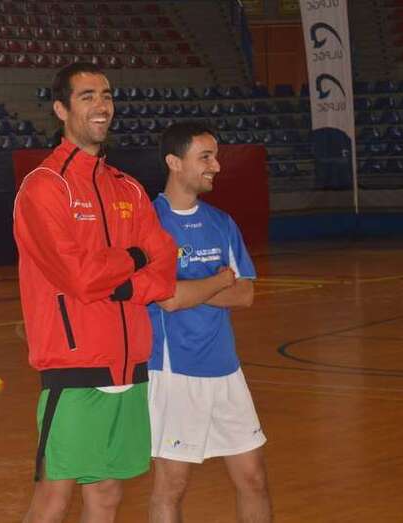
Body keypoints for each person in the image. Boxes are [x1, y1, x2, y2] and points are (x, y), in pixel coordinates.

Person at [13, 62, 177, 523]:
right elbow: (78, 277)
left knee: (107, 495)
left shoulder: (128, 187)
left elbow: (165, 267)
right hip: (74, 367)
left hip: (130, 365)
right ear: (61, 109)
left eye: (106, 95)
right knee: (53, 499)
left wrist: (120, 282)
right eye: (87, 96)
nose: (101, 105)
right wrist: (134, 256)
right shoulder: (45, 186)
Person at [147, 122, 272, 522]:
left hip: (226, 370)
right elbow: (169, 300)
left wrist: (192, 289)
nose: (216, 166)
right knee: (171, 487)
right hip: (175, 373)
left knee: (253, 478)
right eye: (205, 157)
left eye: (215, 156)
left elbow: (245, 293)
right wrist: (218, 281)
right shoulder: (149, 223)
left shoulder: (222, 222)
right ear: (174, 162)